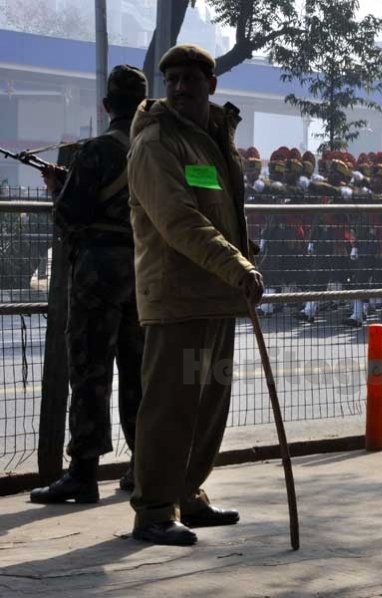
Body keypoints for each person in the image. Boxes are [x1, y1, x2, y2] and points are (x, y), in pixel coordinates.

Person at [127, 44, 264, 546]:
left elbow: (220, 211)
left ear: (212, 84)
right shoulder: (157, 143)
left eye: (191, 78)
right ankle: (153, 511)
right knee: (170, 407)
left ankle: (187, 494)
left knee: (208, 405)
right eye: (173, 80)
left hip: (218, 295)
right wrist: (236, 264)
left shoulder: (213, 138)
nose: (181, 87)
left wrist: (243, 257)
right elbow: (179, 221)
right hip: (177, 297)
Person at [30, 65, 148, 504]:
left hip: (99, 273)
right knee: (138, 372)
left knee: (90, 371)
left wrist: (57, 189)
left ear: (106, 105)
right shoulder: (153, 151)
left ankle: (83, 473)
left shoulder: (95, 151)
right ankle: (143, 469)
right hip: (143, 269)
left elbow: (71, 215)